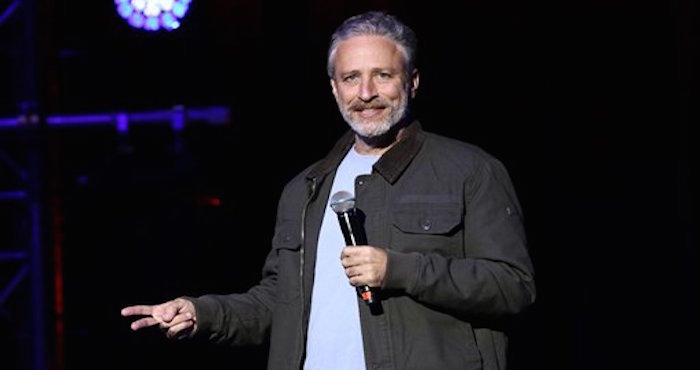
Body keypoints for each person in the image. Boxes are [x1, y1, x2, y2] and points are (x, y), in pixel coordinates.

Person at [121, 10, 536, 370]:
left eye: (382, 75)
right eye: (351, 77)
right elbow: (278, 305)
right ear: (334, 88)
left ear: (412, 82)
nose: (366, 92)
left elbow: (513, 286)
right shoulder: (304, 190)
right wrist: (202, 314)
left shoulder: (470, 170)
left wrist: (400, 269)